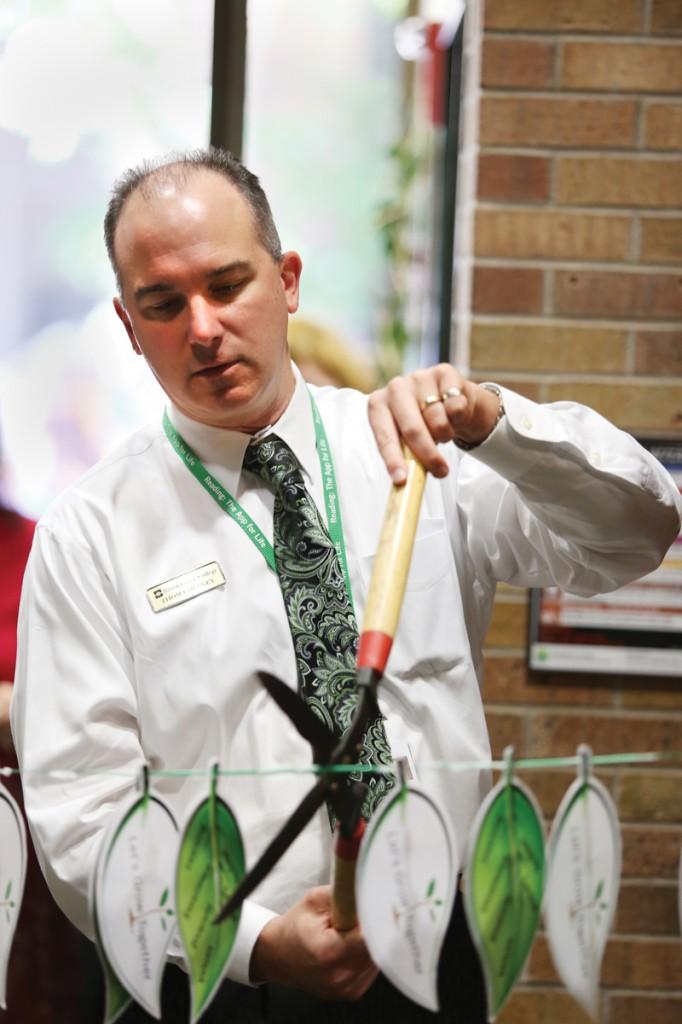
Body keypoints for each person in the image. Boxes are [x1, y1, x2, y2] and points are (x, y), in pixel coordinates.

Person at [11, 149, 681, 1023]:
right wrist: (252, 941)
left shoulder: (413, 452)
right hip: (217, 978)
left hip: (437, 957)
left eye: (227, 283)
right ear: (129, 326)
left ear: (287, 280)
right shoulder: (91, 531)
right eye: (164, 304)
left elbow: (638, 533)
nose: (203, 327)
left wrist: (498, 426)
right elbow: (79, 813)